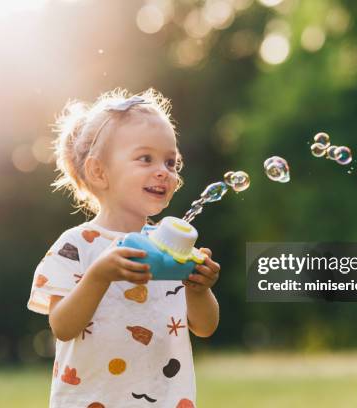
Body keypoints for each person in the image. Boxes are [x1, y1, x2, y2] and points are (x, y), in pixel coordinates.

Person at [27, 88, 221, 407]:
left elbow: (204, 327)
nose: (164, 171)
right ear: (99, 171)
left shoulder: (170, 247)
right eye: (146, 158)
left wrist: (199, 289)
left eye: (171, 162)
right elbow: (62, 326)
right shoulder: (74, 246)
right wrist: (99, 275)